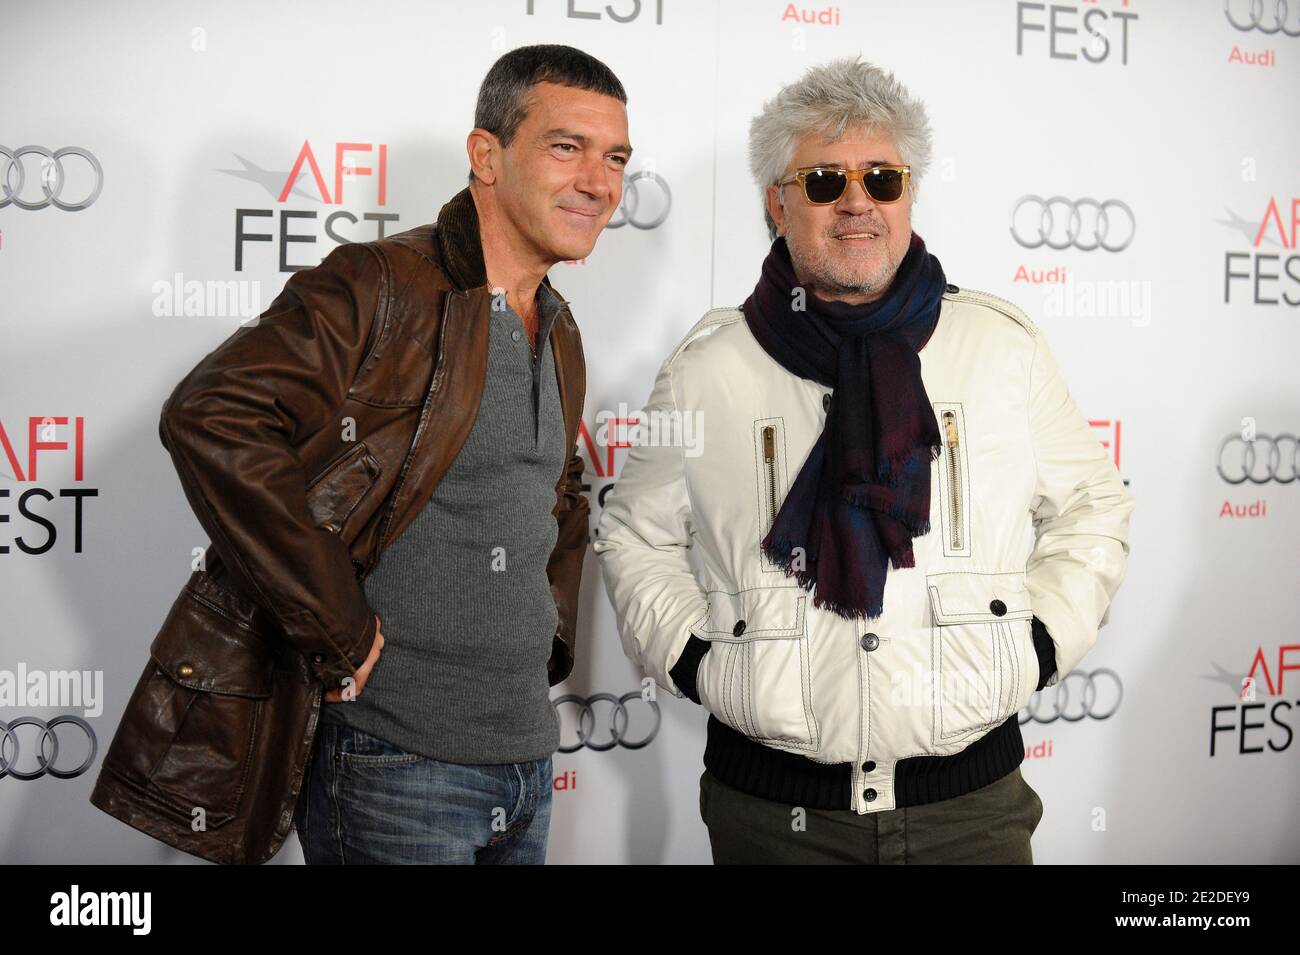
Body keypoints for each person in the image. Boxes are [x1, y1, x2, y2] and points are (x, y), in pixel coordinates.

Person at [593, 55, 1134, 864]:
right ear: (775, 203)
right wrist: (695, 658)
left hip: (971, 807)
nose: (857, 202)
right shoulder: (707, 368)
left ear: (908, 194)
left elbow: (1093, 507)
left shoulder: (999, 347)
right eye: (822, 182)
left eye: (883, 178)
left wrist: (1041, 644)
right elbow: (635, 534)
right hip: (772, 815)